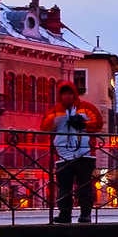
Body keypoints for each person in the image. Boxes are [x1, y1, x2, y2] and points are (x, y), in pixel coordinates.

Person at [45, 82, 104, 224]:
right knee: (64, 186)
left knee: (84, 185)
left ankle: (85, 213)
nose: (67, 96)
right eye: (64, 94)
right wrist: (53, 122)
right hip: (63, 153)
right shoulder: (56, 110)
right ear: (61, 95)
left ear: (74, 94)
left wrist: (84, 124)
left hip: (85, 153)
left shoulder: (87, 108)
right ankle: (65, 213)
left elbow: (99, 124)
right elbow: (44, 126)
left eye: (69, 93)